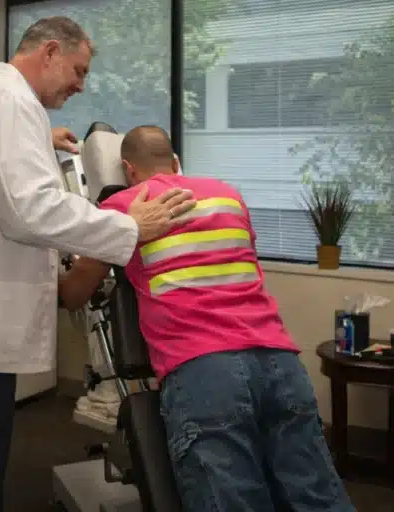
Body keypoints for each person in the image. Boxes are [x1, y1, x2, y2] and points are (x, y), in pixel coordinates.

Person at [0, 18, 195, 512]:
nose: (81, 85)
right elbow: (31, 210)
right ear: (50, 52)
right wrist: (129, 226)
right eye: (79, 70)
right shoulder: (10, 104)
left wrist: (39, 141)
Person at [59, 125, 356, 512]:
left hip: (204, 373)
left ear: (129, 170)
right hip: (280, 363)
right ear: (176, 162)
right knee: (317, 497)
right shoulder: (228, 196)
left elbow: (75, 294)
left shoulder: (125, 208)